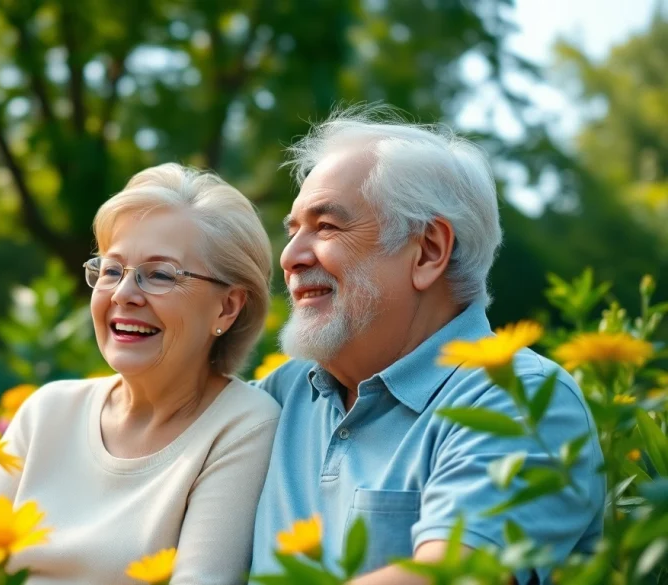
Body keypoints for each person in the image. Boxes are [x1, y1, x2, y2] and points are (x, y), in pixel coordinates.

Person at [249, 106, 604, 585]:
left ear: (429, 251)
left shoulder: (520, 397)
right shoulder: (278, 397)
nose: (289, 257)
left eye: (327, 226)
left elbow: (456, 576)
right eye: (293, 231)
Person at [0, 163, 280, 585]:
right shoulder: (49, 411)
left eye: (160, 275)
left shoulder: (242, 426)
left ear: (227, 307)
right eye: (111, 270)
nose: (124, 294)